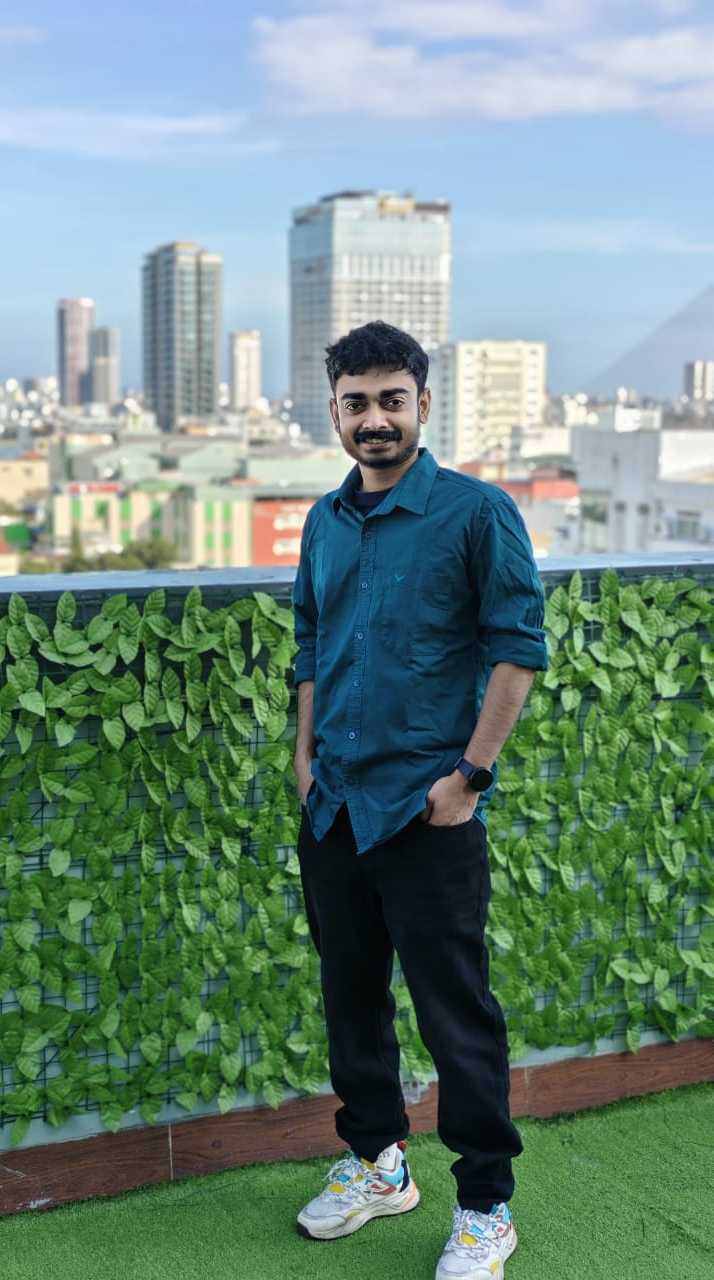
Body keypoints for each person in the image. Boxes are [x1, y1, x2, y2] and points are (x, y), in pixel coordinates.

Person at [291, 321, 547, 1280]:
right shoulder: (325, 520)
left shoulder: (477, 513)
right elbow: (311, 642)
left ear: (423, 404)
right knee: (350, 999)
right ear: (334, 413)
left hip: (428, 810)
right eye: (356, 402)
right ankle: (377, 1162)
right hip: (335, 806)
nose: (375, 418)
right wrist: (304, 759)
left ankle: (485, 1206)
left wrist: (468, 779)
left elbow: (518, 649)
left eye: (391, 400)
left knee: (455, 1015)